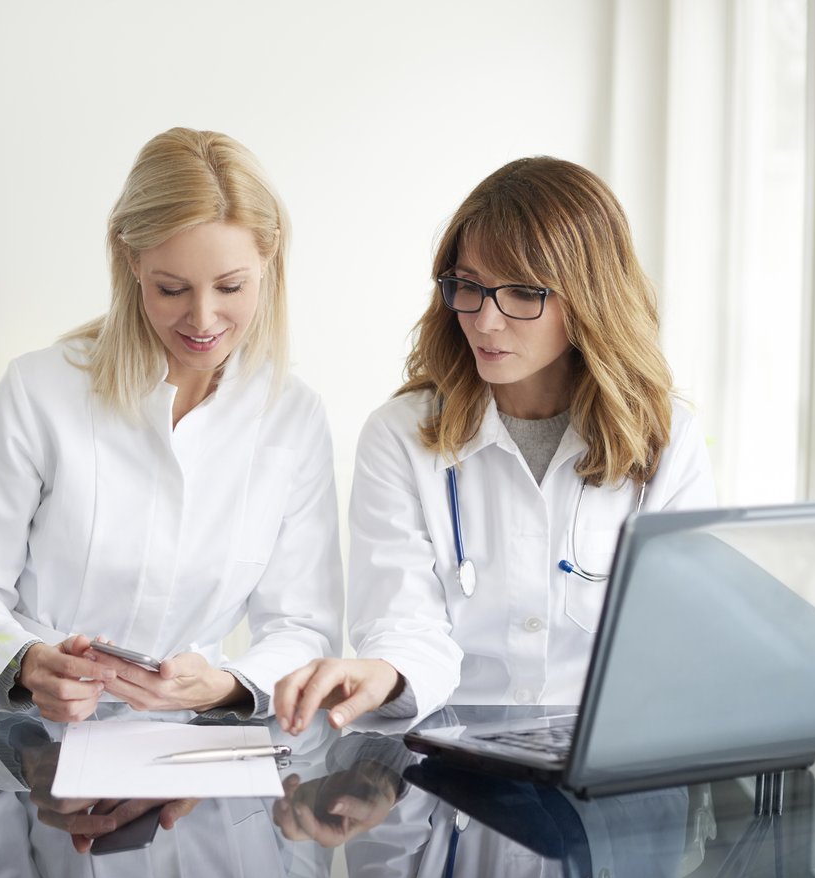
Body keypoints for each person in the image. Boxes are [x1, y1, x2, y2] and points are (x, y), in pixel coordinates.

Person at [275, 156, 716, 734]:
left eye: (522, 294)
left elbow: (683, 638)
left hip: (610, 763)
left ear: (590, 298)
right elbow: (403, 623)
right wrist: (389, 672)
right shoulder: (400, 436)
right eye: (470, 288)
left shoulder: (665, 441)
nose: (484, 321)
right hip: (452, 765)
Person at [0, 126, 343, 725]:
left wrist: (224, 686)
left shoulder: (293, 417)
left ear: (269, 259)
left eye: (231, 286)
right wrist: (25, 665)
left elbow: (303, 626)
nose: (202, 319)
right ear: (131, 261)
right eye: (171, 288)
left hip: (193, 753)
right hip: (31, 735)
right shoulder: (40, 391)